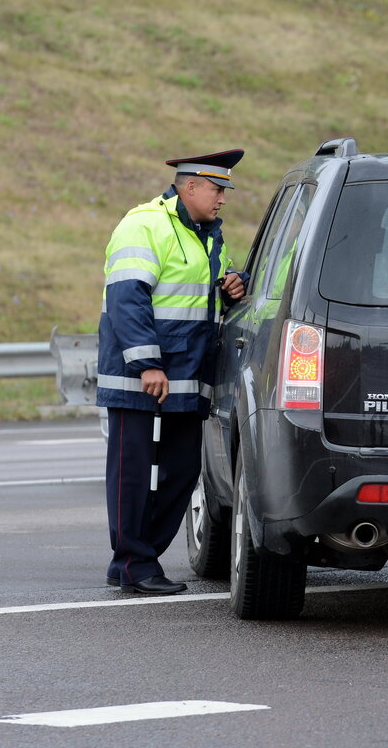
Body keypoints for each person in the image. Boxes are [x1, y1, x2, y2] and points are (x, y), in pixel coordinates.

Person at [96, 149, 249, 594]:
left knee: (182, 473)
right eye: (218, 189)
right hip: (140, 376)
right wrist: (147, 364)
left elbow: (199, 299)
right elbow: (127, 299)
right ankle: (133, 564)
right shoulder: (143, 225)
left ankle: (135, 556)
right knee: (132, 472)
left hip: (185, 378)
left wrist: (229, 288)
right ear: (191, 186)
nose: (223, 199)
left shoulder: (209, 236)